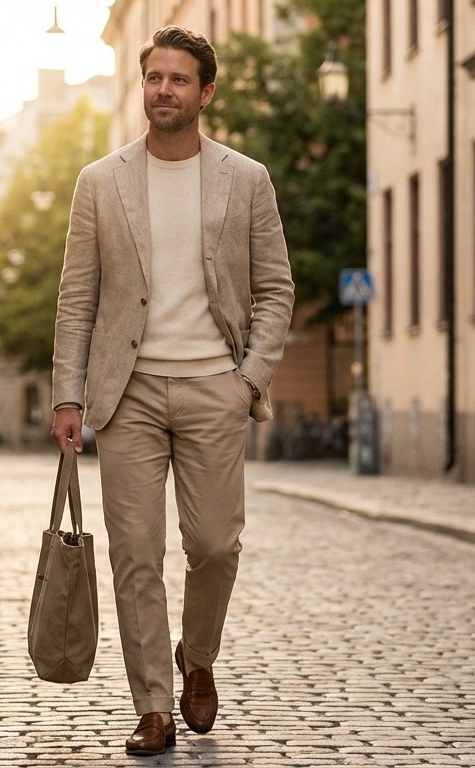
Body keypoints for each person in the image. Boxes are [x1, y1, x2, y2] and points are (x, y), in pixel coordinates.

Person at [50, 25, 294, 757]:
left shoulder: (245, 179)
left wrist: (247, 379)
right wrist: (68, 396)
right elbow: (76, 298)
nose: (164, 90)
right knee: (135, 552)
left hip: (215, 385)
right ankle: (153, 704)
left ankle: (198, 655)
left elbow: (276, 289)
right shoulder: (100, 181)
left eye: (179, 79)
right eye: (154, 77)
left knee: (215, 545)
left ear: (205, 92)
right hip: (125, 394)